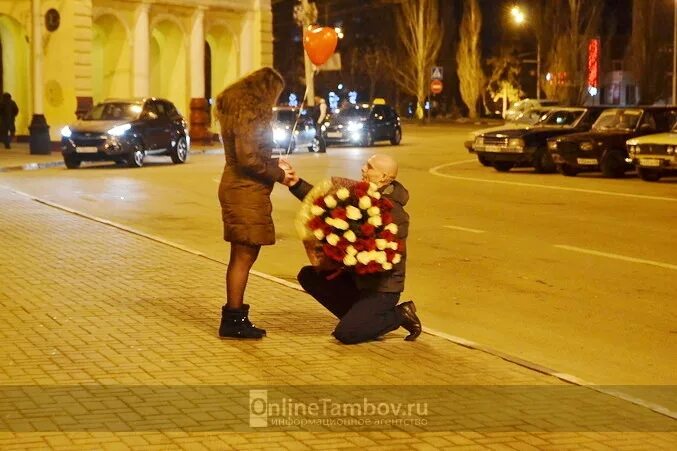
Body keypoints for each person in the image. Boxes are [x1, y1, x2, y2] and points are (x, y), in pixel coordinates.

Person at [281, 154, 422, 344]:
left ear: (383, 177)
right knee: (309, 275)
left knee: (346, 334)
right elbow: (325, 202)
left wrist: (348, 247)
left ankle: (399, 315)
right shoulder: (360, 195)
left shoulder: (394, 213)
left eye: (369, 167)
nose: (363, 168)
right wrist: (295, 183)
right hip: (357, 280)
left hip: (381, 288)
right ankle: (365, 321)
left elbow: (385, 257)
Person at [214, 67, 296, 339]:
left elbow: (251, 154)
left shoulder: (237, 113)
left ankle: (235, 317)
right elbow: (248, 158)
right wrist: (280, 175)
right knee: (244, 256)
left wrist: (274, 163)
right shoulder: (250, 115)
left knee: (242, 255)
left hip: (241, 187)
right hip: (244, 189)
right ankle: (233, 320)